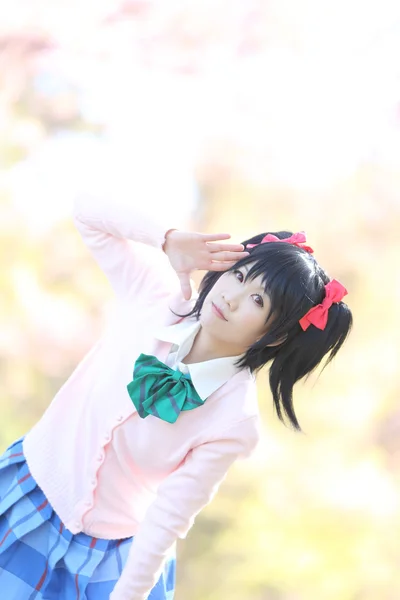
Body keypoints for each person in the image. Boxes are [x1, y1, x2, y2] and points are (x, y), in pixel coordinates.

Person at [0, 192, 352, 600]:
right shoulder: (154, 298)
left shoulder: (235, 420)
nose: (233, 296)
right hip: (25, 494)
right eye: (239, 275)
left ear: (277, 336)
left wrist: (128, 594)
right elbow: (87, 211)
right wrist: (167, 238)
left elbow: (167, 518)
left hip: (105, 561)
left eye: (258, 300)